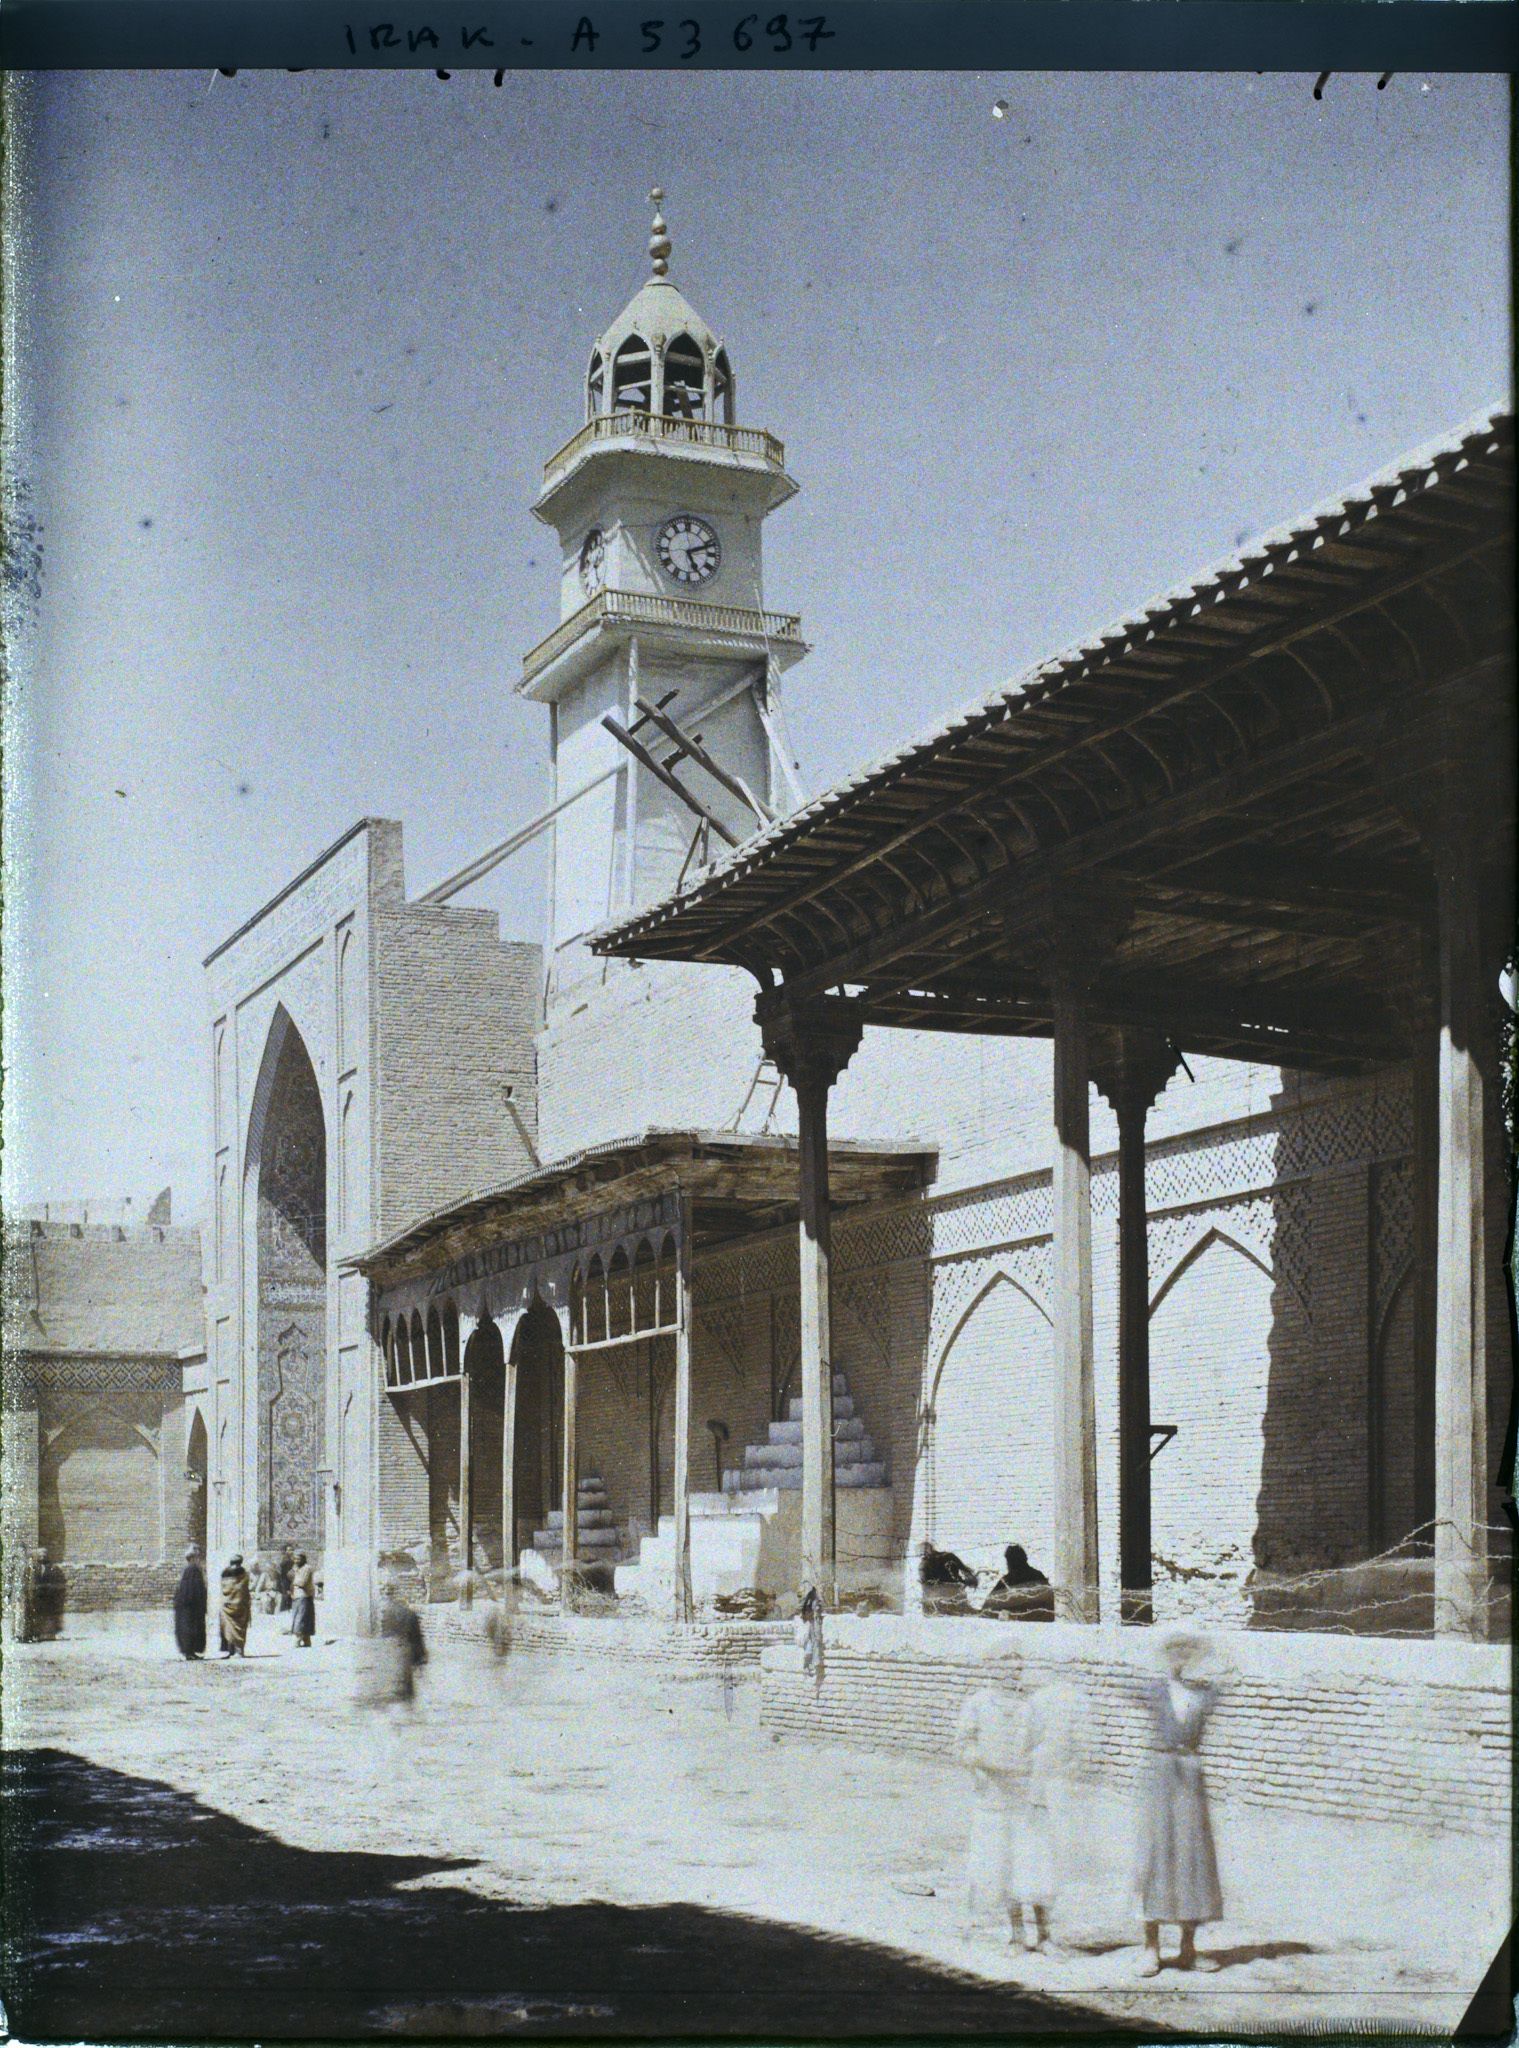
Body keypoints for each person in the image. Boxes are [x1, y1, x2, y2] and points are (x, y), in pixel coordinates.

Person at [1136, 1629, 1224, 1976]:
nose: (1181, 1657)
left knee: (1193, 1859)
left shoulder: (1206, 1693)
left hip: (1190, 1777)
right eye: (1174, 1650)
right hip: (1160, 1776)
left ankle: (1188, 1947)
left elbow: (1234, 1672)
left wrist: (1209, 1660)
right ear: (1164, 1655)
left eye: (1188, 1651)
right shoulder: (1153, 1689)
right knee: (1158, 1855)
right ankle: (1150, 1948)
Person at [981, 1544, 1055, 1621]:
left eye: (1009, 1561)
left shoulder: (1007, 1580)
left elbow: (986, 1610)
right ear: (1025, 1558)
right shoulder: (1038, 1576)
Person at [920, 1542, 980, 1615]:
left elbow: (925, 1583)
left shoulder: (924, 1563)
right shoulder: (948, 1556)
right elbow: (964, 1569)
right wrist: (968, 1579)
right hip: (953, 1591)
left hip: (934, 1598)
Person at [173, 1545, 208, 1660]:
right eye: (197, 1557)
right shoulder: (193, 1570)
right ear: (192, 1558)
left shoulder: (187, 1570)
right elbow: (196, 1589)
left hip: (186, 1605)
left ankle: (190, 1652)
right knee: (190, 1628)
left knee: (188, 1628)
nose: (198, 1559)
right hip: (191, 1606)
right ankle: (189, 1652)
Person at [218, 1554, 252, 1658]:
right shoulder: (244, 1575)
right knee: (239, 1628)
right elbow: (244, 1591)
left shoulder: (225, 1574)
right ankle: (238, 1651)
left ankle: (231, 1650)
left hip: (227, 1605)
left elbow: (225, 1589)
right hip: (241, 1605)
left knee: (228, 1628)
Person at [29, 1549, 66, 1642]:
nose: (42, 1556)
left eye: (44, 1554)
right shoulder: (34, 1568)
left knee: (48, 1616)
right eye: (40, 1555)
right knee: (37, 1615)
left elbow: (56, 1581)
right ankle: (37, 1634)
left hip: (48, 1596)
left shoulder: (52, 1568)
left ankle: (49, 1634)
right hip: (38, 1596)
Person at [290, 1551, 317, 1647]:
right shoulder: (297, 1568)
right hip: (297, 1596)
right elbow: (288, 1577)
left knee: (302, 1618)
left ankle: (299, 1639)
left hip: (304, 1596)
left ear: (303, 1559)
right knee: (301, 1617)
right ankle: (306, 1640)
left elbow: (302, 1582)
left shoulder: (307, 1568)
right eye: (295, 1559)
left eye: (298, 1559)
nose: (296, 1561)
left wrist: (294, 1580)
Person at [275, 1546, 296, 1614]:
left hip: (290, 1582)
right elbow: (283, 1574)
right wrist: (286, 1587)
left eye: (291, 1550)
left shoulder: (292, 1560)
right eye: (289, 1550)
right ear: (286, 1551)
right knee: (286, 1598)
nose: (290, 1551)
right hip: (285, 1582)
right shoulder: (285, 1561)